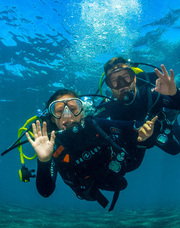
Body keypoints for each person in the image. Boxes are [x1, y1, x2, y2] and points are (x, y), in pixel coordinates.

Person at [25, 89, 157, 211]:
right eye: (59, 111)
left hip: (113, 172)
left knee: (125, 178)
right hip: (86, 188)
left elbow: (133, 127)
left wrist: (143, 131)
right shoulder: (52, 145)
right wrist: (44, 161)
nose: (67, 114)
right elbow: (45, 192)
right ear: (52, 118)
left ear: (82, 111)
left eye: (72, 108)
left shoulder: (95, 125)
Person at [94, 57, 180, 171]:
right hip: (134, 139)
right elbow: (91, 122)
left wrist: (175, 93)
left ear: (134, 78)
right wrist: (134, 127)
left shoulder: (151, 92)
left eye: (126, 76)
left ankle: (171, 109)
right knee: (127, 167)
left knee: (175, 149)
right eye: (114, 80)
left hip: (159, 128)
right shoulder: (109, 105)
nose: (121, 84)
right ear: (109, 86)